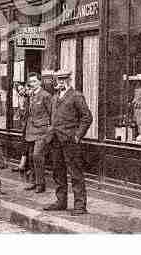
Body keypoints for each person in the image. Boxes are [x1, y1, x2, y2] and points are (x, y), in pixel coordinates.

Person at [43, 70, 93, 216]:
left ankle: (80, 205)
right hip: (55, 141)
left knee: (75, 173)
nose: (61, 82)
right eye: (58, 79)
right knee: (58, 172)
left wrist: (78, 136)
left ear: (69, 80)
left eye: (64, 79)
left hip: (70, 141)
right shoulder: (54, 97)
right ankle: (61, 201)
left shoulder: (76, 96)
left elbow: (87, 117)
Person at [22, 73, 52, 194]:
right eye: (30, 82)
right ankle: (33, 182)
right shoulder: (30, 95)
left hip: (42, 131)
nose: (32, 84)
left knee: (37, 155)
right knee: (31, 156)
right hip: (30, 130)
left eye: (34, 81)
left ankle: (41, 184)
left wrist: (49, 131)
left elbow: (51, 114)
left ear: (40, 82)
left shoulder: (45, 95)